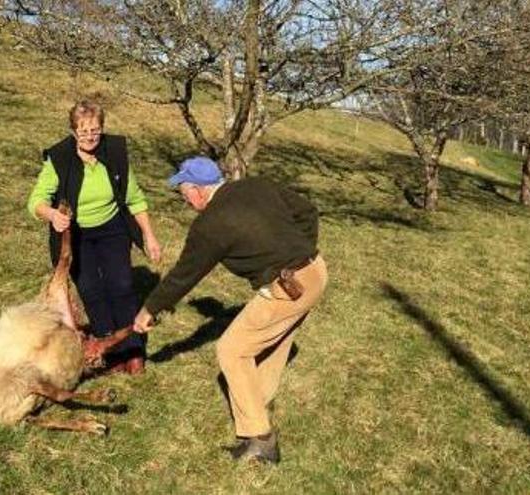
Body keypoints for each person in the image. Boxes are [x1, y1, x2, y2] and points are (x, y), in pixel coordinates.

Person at [133, 156, 328, 463]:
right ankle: (257, 404)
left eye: (183, 193)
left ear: (197, 190)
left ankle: (262, 440)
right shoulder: (255, 185)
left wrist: (149, 309)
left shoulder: (210, 224)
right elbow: (307, 211)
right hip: (316, 272)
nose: (184, 200)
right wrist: (300, 253)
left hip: (289, 288)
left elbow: (185, 274)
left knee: (231, 350)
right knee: (275, 344)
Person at [28, 100, 161, 375]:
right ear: (74, 131)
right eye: (84, 131)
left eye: (95, 131)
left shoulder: (115, 153)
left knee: (121, 285)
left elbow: (135, 198)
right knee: (91, 289)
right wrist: (52, 214)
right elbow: (36, 200)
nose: (90, 137)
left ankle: (133, 350)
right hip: (77, 234)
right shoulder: (60, 158)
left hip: (112, 227)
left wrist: (149, 236)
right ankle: (109, 351)